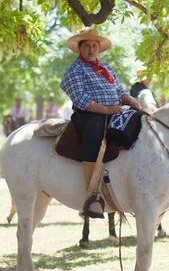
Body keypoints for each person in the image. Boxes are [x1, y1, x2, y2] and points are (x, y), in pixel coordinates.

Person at [60, 29, 140, 218]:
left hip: (112, 111)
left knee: (138, 125)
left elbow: (119, 89)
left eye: (94, 46)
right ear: (80, 48)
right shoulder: (74, 69)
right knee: (95, 134)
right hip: (89, 115)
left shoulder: (105, 67)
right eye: (87, 46)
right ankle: (92, 196)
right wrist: (106, 110)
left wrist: (130, 100)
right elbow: (81, 99)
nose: (91, 49)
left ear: (99, 49)